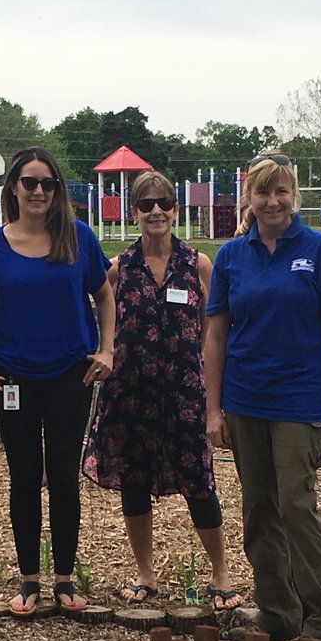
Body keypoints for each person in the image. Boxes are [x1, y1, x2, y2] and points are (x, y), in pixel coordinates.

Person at [204, 152, 321, 641]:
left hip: (300, 402)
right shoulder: (232, 256)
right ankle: (278, 612)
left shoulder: (320, 250)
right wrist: (213, 408)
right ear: (248, 197)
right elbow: (216, 336)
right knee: (259, 511)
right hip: (245, 400)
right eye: (262, 192)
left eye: (281, 191)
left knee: (297, 506)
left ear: (295, 196)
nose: (272, 201)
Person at [0, 147, 115, 615]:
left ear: (57, 191)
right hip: (12, 375)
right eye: (29, 183)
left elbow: (104, 294)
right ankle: (29, 578)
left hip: (71, 372)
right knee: (25, 477)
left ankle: (65, 579)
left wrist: (108, 349)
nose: (38, 192)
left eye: (47, 184)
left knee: (65, 476)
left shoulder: (79, 238)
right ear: (13, 187)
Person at [83, 170, 240, 610]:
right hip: (129, 395)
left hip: (185, 395)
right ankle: (145, 574)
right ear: (134, 212)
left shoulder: (198, 264)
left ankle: (221, 572)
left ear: (176, 209)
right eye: (146, 203)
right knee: (134, 484)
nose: (156, 211)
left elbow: (214, 334)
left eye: (164, 203)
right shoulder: (118, 269)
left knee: (199, 482)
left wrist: (216, 398)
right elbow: (97, 319)